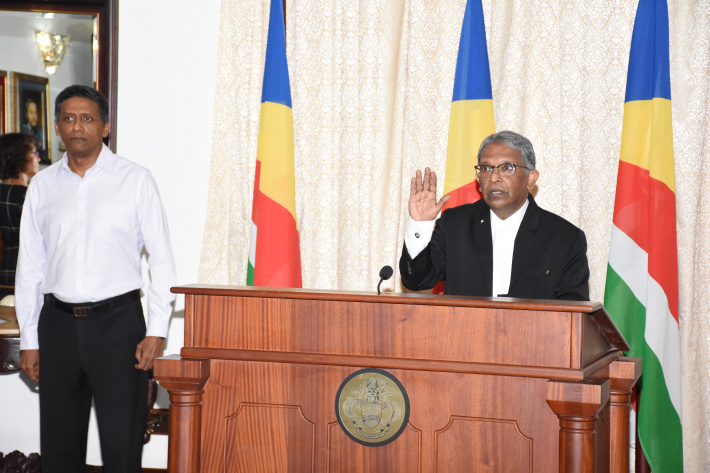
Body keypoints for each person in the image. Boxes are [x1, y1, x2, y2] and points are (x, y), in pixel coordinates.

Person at [15, 85, 177, 473]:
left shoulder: (135, 180)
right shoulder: (42, 186)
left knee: (122, 449)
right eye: (68, 118)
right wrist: (30, 338)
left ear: (105, 127)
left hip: (118, 328)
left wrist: (157, 330)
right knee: (59, 449)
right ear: (56, 126)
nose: (77, 127)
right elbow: (31, 268)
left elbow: (163, 260)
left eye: (87, 118)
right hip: (57, 328)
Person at [399, 130, 589, 301]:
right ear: (478, 180)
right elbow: (417, 281)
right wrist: (420, 225)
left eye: (507, 168)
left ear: (531, 179)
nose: (494, 177)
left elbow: (572, 315)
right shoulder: (455, 225)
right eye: (486, 169)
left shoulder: (564, 238)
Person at [0, 133, 40, 292]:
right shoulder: (29, 197)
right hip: (26, 277)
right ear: (18, 158)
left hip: (5, 275)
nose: (37, 158)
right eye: (33, 153)